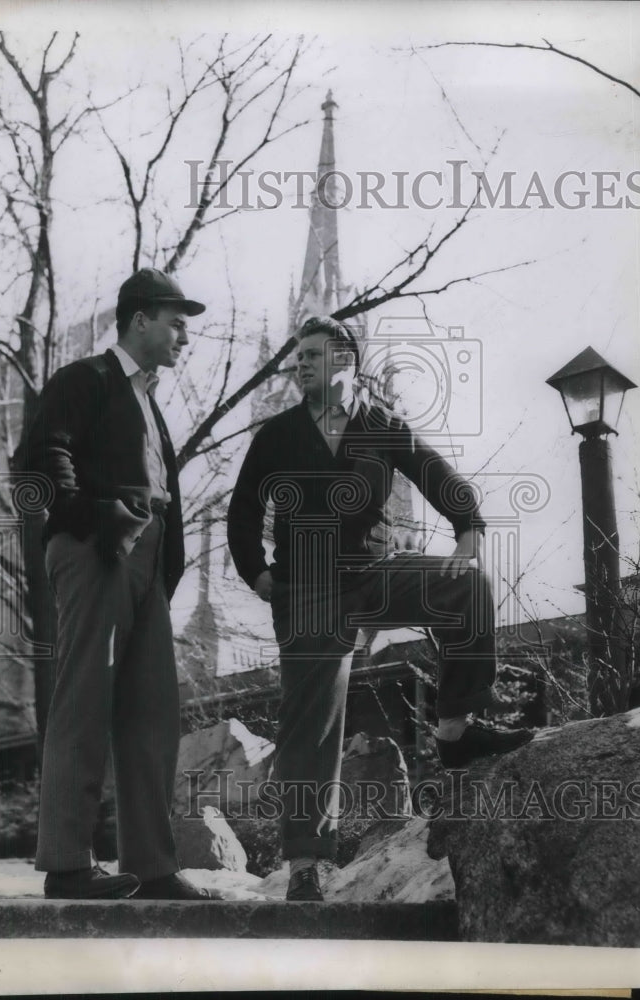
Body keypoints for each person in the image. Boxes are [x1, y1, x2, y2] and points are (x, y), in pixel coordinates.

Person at [227, 315, 533, 902]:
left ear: (346, 360)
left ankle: (454, 729)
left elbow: (437, 476)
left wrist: (467, 526)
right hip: (308, 591)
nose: (300, 367)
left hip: (372, 576)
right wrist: (257, 572)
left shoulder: (383, 426)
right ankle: (307, 864)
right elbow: (242, 510)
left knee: (466, 587)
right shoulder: (278, 435)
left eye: (312, 357)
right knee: (310, 724)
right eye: (297, 359)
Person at [18, 268, 219, 900]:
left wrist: (162, 561)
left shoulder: (149, 399)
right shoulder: (86, 378)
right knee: (82, 701)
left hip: (147, 566)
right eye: (176, 322)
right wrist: (92, 518)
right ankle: (66, 864)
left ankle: (153, 868)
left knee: (153, 712)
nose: (185, 336)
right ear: (139, 320)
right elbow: (40, 456)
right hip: (98, 549)